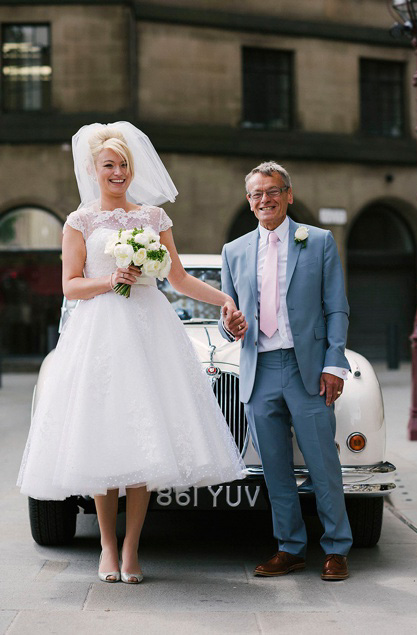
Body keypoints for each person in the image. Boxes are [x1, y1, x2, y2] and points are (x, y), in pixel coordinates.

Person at [17, 122, 246, 584]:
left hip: (150, 332)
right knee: (105, 438)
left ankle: (132, 549)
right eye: (109, 165)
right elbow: (71, 286)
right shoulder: (79, 222)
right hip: (100, 332)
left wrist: (223, 299)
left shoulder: (153, 219)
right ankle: (105, 544)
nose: (118, 172)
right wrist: (112, 279)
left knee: (145, 440)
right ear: (93, 169)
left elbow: (177, 279)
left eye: (124, 165)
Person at [218, 161, 352, 581]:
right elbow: (228, 315)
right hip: (258, 371)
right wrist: (230, 325)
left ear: (288, 195)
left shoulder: (320, 241)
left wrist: (334, 363)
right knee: (275, 467)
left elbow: (337, 308)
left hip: (307, 368)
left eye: (272, 191)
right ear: (249, 201)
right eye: (256, 194)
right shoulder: (234, 251)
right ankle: (290, 547)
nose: (264, 199)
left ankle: (336, 549)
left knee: (322, 462)